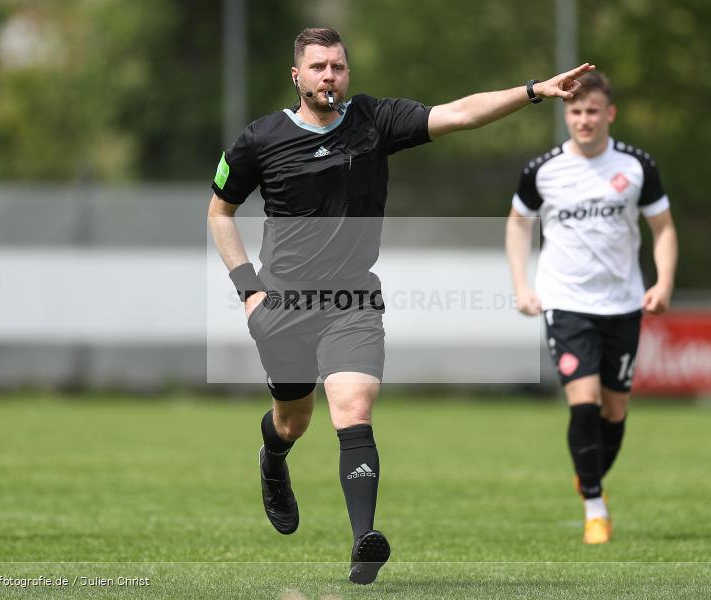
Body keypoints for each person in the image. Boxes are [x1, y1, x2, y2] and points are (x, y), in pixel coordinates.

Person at [208, 27, 594, 583]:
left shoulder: (373, 121)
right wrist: (248, 289)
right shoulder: (259, 139)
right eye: (318, 67)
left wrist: (532, 91)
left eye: (338, 66)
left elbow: (461, 113)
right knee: (293, 421)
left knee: (353, 404)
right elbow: (219, 212)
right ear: (297, 76)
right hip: (284, 304)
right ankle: (273, 459)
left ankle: (364, 540)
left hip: (352, 298)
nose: (329, 77)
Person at [505, 71, 678, 545]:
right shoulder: (543, 169)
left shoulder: (637, 166)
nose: (584, 120)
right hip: (565, 301)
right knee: (584, 405)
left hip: (623, 303)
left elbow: (662, 228)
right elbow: (518, 226)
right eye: (576, 112)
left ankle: (589, 474)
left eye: (592, 111)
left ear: (609, 114)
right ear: (566, 115)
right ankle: (595, 509)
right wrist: (522, 285)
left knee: (614, 411)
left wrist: (663, 282)